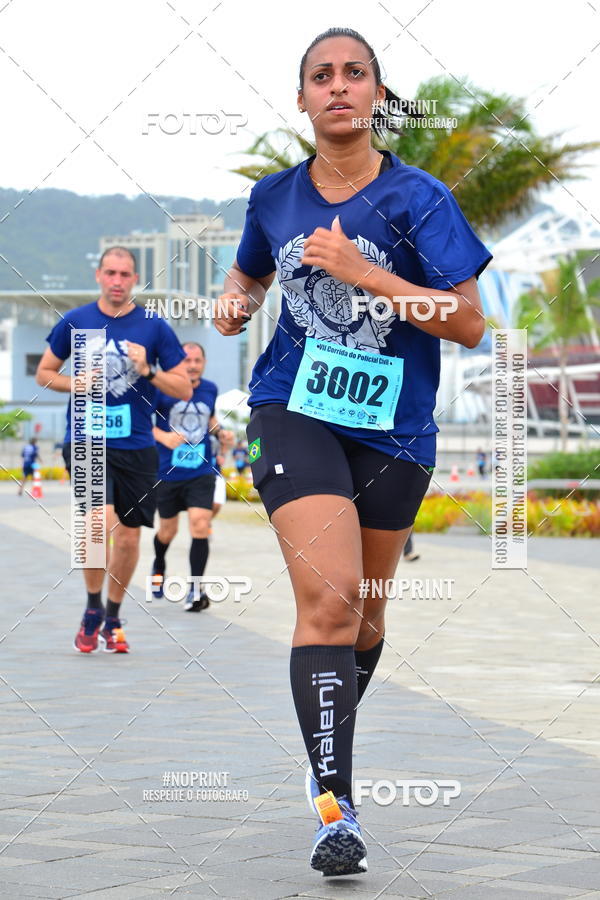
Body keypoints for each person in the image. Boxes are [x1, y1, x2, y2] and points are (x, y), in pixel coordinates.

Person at [215, 27, 492, 876]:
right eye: (320, 76)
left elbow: (471, 325)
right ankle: (336, 807)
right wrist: (233, 303)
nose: (338, 86)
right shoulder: (273, 198)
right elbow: (252, 276)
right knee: (329, 603)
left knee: (364, 619)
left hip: (394, 429)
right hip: (291, 408)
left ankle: (321, 748)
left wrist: (373, 277)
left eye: (355, 74)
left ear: (376, 94)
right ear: (301, 99)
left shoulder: (422, 199)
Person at [36, 247, 192, 653]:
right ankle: (91, 608)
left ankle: (113, 615)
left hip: (137, 446)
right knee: (97, 523)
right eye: (111, 273)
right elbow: (44, 373)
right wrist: (75, 383)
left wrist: (148, 371)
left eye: (125, 274)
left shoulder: (154, 327)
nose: (118, 280)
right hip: (87, 439)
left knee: (127, 539)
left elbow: (183, 388)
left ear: (134, 278)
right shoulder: (77, 321)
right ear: (99, 275)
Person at [151, 342, 233, 612]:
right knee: (168, 531)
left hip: (201, 470)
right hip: (167, 471)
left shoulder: (209, 388)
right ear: (178, 363)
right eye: (187, 360)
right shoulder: (161, 388)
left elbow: (209, 417)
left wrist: (221, 432)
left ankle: (196, 590)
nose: (193, 365)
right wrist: (163, 436)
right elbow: (142, 422)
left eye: (197, 360)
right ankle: (159, 563)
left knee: (200, 524)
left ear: (204, 363)